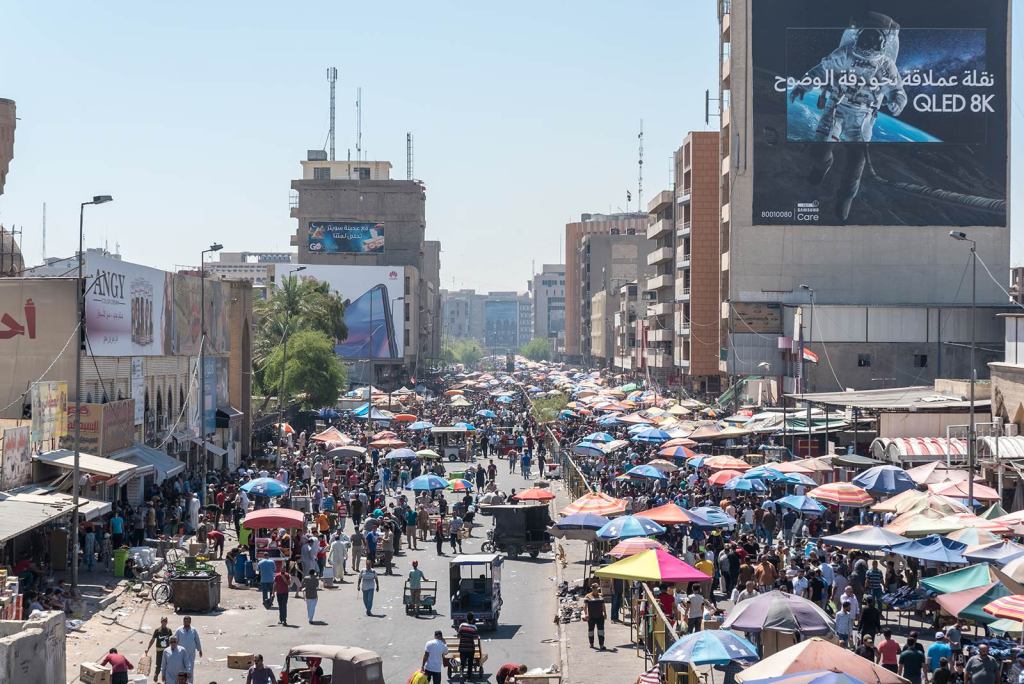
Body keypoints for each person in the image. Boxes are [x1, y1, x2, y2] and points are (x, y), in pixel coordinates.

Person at [174, 616, 203, 683]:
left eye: (187, 621)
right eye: (184, 621)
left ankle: (190, 682)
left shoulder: (193, 630)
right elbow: (174, 640)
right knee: (181, 670)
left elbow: (197, 640)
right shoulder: (179, 630)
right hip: (181, 654)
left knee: (190, 670)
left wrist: (200, 650)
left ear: (190, 622)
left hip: (191, 655)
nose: (185, 622)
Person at [146, 616, 173, 681]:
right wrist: (148, 648)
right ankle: (156, 674)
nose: (164, 622)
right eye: (163, 621)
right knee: (158, 663)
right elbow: (152, 640)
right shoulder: (157, 630)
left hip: (167, 650)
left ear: (167, 622)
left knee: (167, 664)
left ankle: (165, 677)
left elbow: (171, 640)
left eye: (165, 621)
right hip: (159, 650)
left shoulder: (169, 630)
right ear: (161, 622)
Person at [457, 613, 482, 679]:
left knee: (462, 661)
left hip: (462, 648)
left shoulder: (461, 625)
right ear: (472, 619)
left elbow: (458, 635)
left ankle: (461, 672)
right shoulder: (474, 627)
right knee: (470, 662)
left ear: (466, 618)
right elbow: (475, 637)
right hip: (470, 648)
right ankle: (469, 676)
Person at [583, 584, 606, 650]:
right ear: (592, 589)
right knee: (591, 631)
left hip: (600, 616)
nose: (596, 590)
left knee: (601, 631)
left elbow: (603, 605)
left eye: (597, 588)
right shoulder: (588, 596)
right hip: (591, 617)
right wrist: (586, 614)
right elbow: (585, 606)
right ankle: (591, 643)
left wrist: (605, 613)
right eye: (594, 588)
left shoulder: (601, 595)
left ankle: (601, 645)